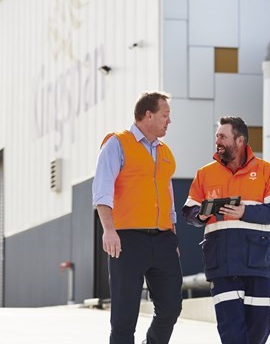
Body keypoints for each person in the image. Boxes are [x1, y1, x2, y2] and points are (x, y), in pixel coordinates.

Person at [182, 116, 270, 344]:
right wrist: (199, 215)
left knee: (259, 326)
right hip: (222, 264)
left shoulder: (266, 171)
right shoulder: (205, 174)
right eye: (216, 136)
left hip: (256, 263)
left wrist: (244, 212)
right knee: (231, 331)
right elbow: (188, 212)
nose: (217, 141)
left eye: (222, 136)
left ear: (239, 140)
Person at [92, 91, 183, 344]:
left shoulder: (165, 152)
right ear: (148, 115)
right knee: (124, 317)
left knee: (171, 307)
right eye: (165, 115)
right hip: (127, 240)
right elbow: (102, 190)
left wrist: (173, 236)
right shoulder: (117, 143)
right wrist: (109, 230)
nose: (169, 121)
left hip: (163, 239)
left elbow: (169, 197)